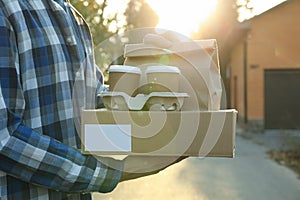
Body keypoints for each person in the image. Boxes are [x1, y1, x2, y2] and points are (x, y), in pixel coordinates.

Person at [0, 0, 184, 199]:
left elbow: (91, 100)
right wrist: (115, 172)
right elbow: (4, 139)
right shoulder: (6, 8)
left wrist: (150, 89)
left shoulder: (73, 16)